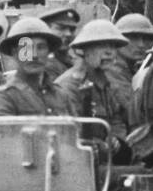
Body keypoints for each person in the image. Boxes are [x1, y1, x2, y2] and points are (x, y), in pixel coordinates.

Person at [56, 19, 131, 160]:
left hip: (103, 161)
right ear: (84, 50)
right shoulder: (69, 86)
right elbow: (70, 136)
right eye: (101, 46)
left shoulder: (104, 83)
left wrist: (116, 139)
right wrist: (100, 145)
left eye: (113, 46)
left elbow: (115, 119)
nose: (109, 52)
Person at [0, 17, 78, 116]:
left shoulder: (61, 95)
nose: (34, 55)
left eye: (41, 47)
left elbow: (75, 129)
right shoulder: (5, 98)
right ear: (14, 53)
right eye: (26, 48)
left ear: (48, 51)